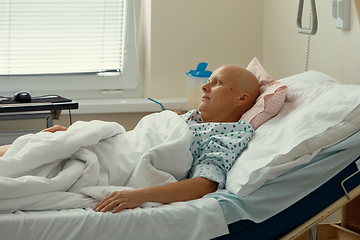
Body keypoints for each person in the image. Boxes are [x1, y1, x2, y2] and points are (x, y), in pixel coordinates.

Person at [0, 64, 260, 213]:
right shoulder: (189, 118)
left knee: (37, 163)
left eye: (216, 83)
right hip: (113, 145)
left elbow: (205, 184)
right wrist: (78, 137)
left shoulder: (227, 135)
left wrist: (140, 195)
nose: (204, 85)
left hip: (113, 165)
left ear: (241, 99)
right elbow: (137, 137)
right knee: (40, 143)